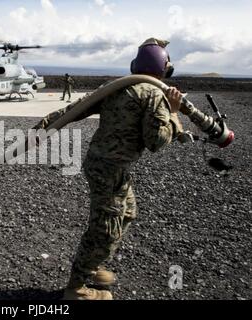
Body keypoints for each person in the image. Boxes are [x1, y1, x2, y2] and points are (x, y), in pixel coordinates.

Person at [33, 38, 185, 300]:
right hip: (110, 168)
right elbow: (156, 141)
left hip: (103, 164)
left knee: (127, 213)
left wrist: (41, 127)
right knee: (106, 227)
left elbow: (73, 110)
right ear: (163, 67)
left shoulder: (114, 87)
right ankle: (77, 289)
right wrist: (173, 113)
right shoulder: (154, 95)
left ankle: (93, 264)